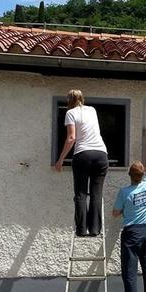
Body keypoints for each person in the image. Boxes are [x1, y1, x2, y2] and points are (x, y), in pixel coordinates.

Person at [113, 129, 146, 292]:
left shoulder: (124, 192)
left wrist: (123, 211)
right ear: (142, 175)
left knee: (129, 274)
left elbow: (115, 213)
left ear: (130, 175)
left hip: (131, 234)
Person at [55, 89, 109, 237]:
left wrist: (60, 160)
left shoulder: (70, 113)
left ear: (69, 101)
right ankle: (95, 229)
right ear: (82, 98)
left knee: (81, 194)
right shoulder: (92, 110)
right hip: (101, 154)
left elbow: (71, 138)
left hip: (83, 155)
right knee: (96, 194)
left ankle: (81, 229)